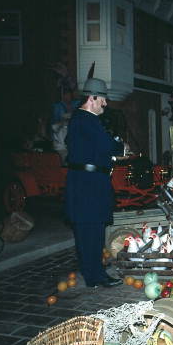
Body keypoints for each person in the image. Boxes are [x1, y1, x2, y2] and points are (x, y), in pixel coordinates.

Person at [65, 77, 124, 288]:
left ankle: (93, 272)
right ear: (92, 98)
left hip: (87, 183)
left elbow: (98, 148)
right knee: (90, 231)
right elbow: (108, 145)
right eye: (103, 100)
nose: (105, 104)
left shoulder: (82, 120)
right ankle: (94, 276)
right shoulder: (86, 119)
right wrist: (118, 144)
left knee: (91, 230)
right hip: (88, 185)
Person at [51, 88, 81, 164]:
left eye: (70, 95)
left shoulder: (75, 104)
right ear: (63, 96)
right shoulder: (57, 106)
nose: (69, 97)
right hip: (61, 131)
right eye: (67, 95)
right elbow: (55, 123)